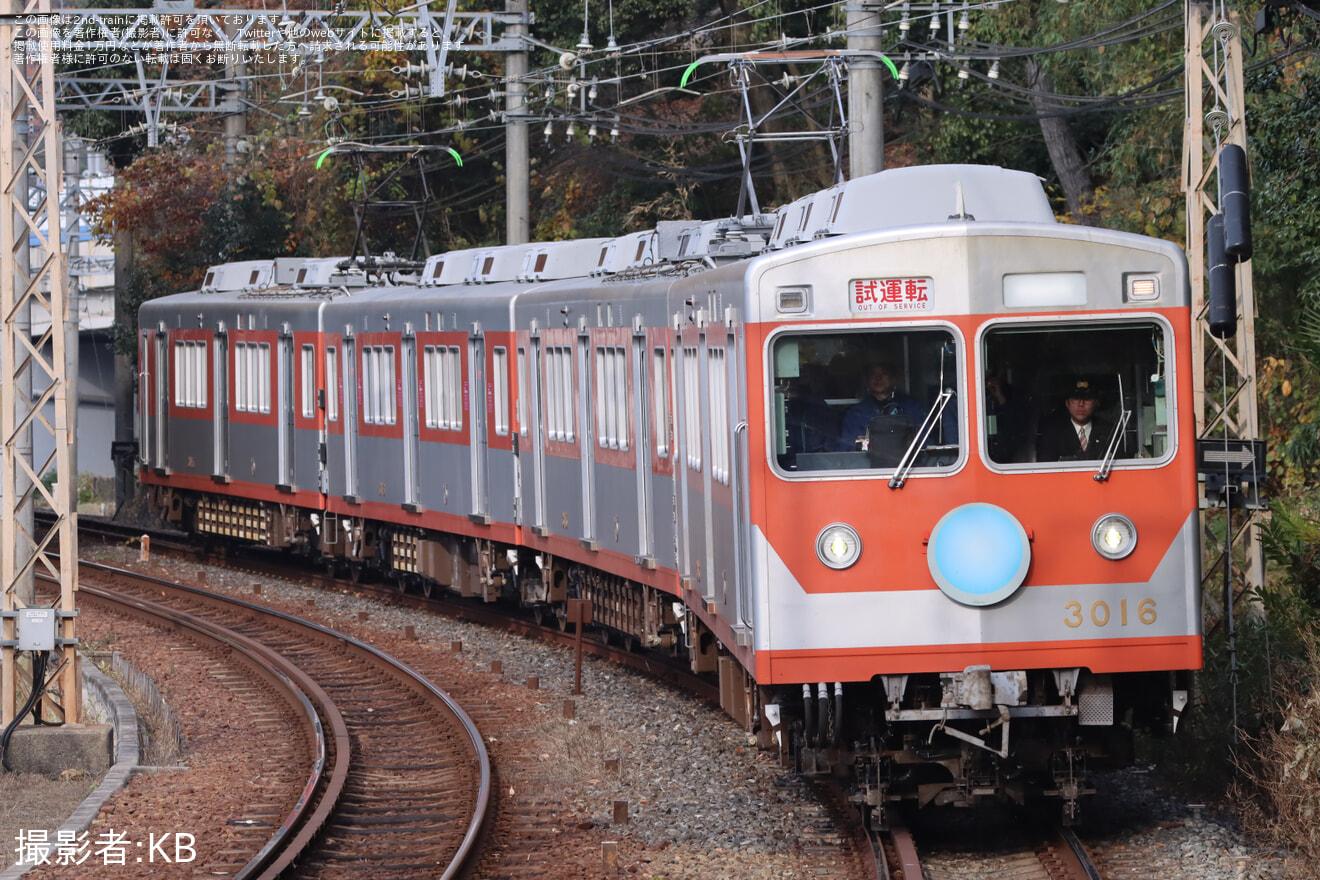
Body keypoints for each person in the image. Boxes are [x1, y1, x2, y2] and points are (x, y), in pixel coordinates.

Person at [831, 363, 926, 453]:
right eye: (873, 374)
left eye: (884, 373)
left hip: (905, 467)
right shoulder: (856, 414)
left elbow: (925, 444)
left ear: (893, 378)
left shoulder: (912, 408)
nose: (878, 378)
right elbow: (848, 450)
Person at [1036, 377, 1112, 462]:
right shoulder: (1053, 433)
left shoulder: (1109, 432)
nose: (1081, 404)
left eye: (1087, 399)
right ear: (1067, 403)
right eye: (1076, 398)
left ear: (1096, 403)